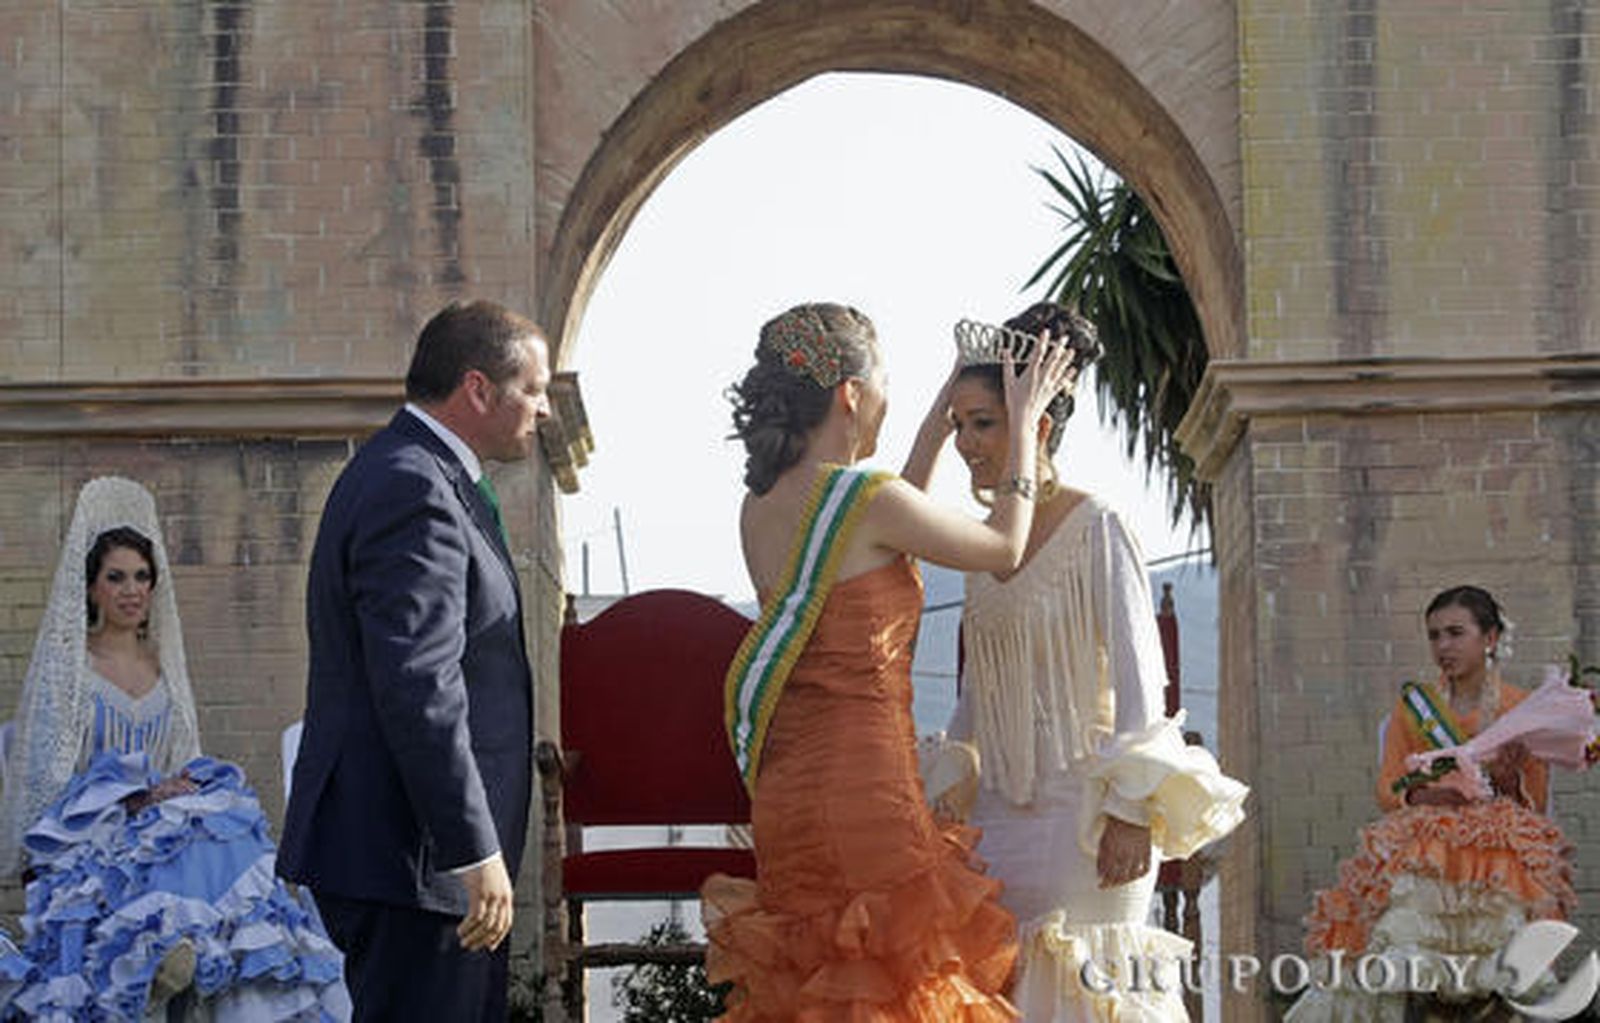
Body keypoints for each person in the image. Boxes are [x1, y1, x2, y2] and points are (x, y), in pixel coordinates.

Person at [701, 301, 1077, 1020]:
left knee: (826, 981)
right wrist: (1025, 431)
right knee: (901, 984)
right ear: (851, 394)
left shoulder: (763, 504)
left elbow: (884, 511)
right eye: (883, 387)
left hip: (788, 801)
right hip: (865, 792)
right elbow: (1002, 546)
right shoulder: (865, 499)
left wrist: (941, 408)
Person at [930, 302, 1248, 1020]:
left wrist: (1133, 809)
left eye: (982, 422)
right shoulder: (985, 545)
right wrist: (944, 786)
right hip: (995, 823)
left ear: (1037, 424)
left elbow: (1144, 684)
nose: (965, 442)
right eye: (959, 424)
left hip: (1087, 820)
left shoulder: (1097, 524)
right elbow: (979, 694)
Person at [277, 300, 551, 1021]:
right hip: (415, 860)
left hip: (421, 861)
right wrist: (472, 850)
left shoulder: (418, 472)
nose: (545, 409)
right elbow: (419, 682)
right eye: (535, 387)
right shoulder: (413, 485)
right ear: (478, 389)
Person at [0, 476, 350, 1020]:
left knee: (225, 825)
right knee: (193, 844)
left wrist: (178, 791)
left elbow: (183, 761)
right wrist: (132, 797)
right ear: (91, 588)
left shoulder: (165, 669)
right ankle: (156, 961)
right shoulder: (70, 672)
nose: (131, 590)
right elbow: (50, 783)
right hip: (93, 837)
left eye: (141, 577)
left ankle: (203, 964)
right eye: (115, 578)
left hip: (161, 829)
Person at [1287, 585, 1576, 1019]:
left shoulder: (1522, 709)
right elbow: (1389, 789)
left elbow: (1534, 805)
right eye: (1435, 635)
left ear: (1491, 638)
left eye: (1456, 633)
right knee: (1399, 950)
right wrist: (1436, 794)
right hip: (1427, 844)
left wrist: (1506, 781)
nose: (1443, 646)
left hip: (1498, 852)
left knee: (1509, 969)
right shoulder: (1414, 709)